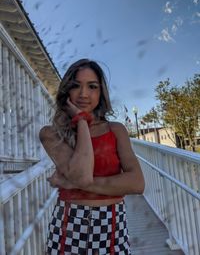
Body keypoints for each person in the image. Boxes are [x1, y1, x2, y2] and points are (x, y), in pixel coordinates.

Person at [39, 58, 145, 255]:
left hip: (113, 226)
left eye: (92, 86)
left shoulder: (116, 130)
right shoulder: (51, 133)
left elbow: (137, 183)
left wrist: (71, 183)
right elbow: (82, 176)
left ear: (101, 92)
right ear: (66, 92)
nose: (83, 94)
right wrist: (81, 121)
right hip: (68, 227)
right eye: (76, 86)